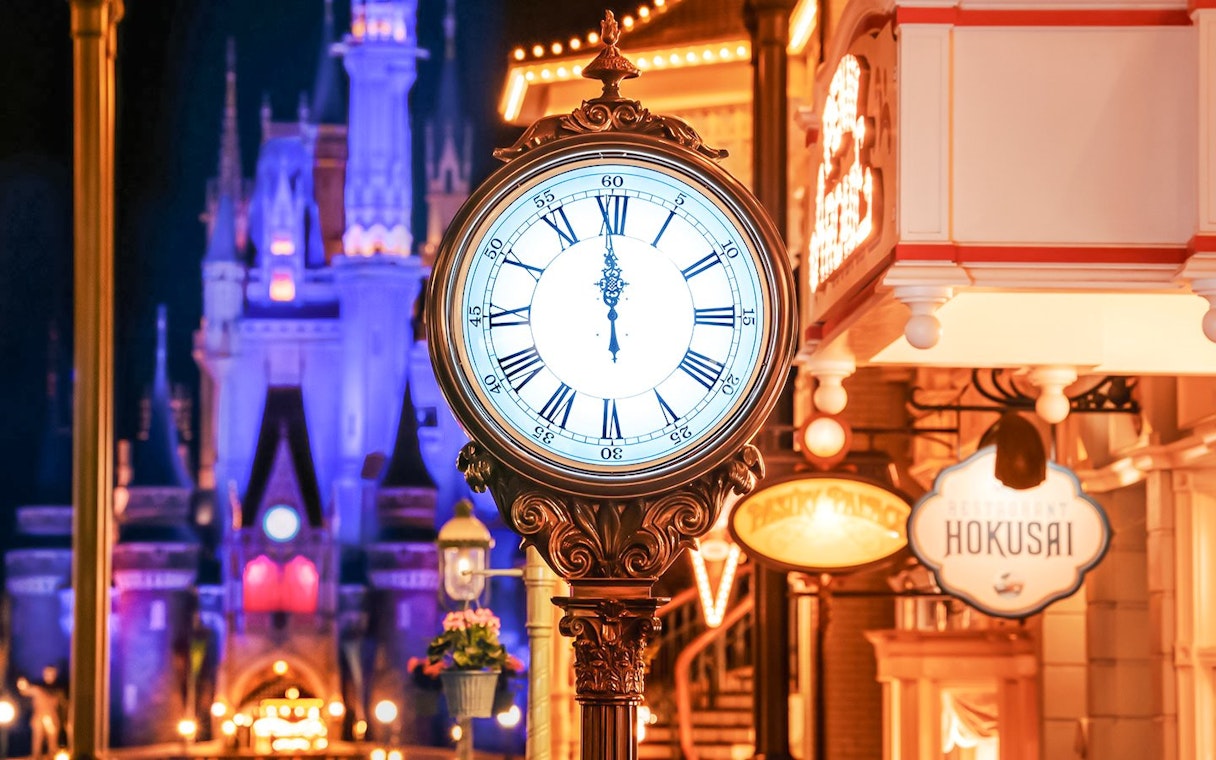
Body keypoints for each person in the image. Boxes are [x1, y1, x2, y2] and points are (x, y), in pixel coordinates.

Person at [17, 666, 64, 760]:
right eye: (47, 673)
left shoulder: (59, 691)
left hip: (52, 719)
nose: (49, 676)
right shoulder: (38, 689)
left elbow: (63, 705)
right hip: (39, 718)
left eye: (52, 674)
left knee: (52, 743)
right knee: (37, 742)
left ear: (55, 675)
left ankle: (52, 756)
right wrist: (22, 684)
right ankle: (36, 757)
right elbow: (25, 690)